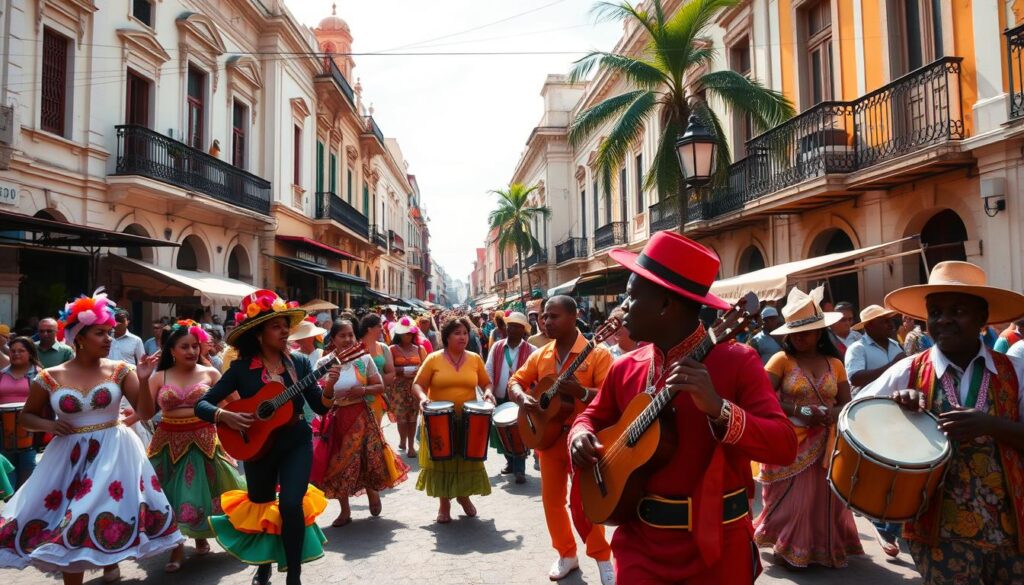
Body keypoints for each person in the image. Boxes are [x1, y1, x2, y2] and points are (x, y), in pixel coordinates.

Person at [570, 231, 798, 584]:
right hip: (638, 544)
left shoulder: (738, 362)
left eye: (632, 297)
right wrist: (579, 435)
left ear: (665, 305)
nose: (623, 307)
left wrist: (720, 410)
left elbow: (784, 445)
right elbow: (590, 417)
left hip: (717, 548)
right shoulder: (624, 367)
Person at [0, 290, 182, 585]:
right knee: (70, 526)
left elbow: (145, 413)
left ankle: (107, 561)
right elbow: (26, 417)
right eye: (100, 333)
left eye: (110, 332)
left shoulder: (122, 370)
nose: (109, 339)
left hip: (114, 453)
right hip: (68, 458)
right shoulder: (49, 376)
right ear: (79, 337)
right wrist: (49, 424)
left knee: (85, 516)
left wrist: (146, 378)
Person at [862, 261, 1024, 584]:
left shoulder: (1015, 372)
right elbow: (854, 418)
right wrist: (893, 413)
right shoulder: (907, 371)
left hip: (1011, 532)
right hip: (936, 533)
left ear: (982, 318)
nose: (943, 320)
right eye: (935, 312)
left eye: (958, 310)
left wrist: (991, 425)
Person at [194, 290, 330, 585]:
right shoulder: (241, 369)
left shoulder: (302, 365)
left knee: (291, 504)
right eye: (276, 326)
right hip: (256, 447)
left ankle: (293, 576)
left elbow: (319, 405)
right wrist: (227, 416)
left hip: (296, 440)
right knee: (261, 502)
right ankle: (265, 565)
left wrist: (330, 387)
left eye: (285, 326)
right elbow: (202, 404)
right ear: (258, 334)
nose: (285, 332)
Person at [752, 287, 863, 568]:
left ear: (818, 333)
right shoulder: (781, 361)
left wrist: (830, 413)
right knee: (795, 501)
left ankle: (820, 550)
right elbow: (762, 398)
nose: (799, 338)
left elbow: (846, 403)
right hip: (790, 440)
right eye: (795, 333)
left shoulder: (835, 363)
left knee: (822, 500)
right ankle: (789, 547)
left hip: (826, 442)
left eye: (807, 332)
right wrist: (799, 410)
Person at [508, 296, 614, 583]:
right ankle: (567, 553)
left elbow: (610, 397)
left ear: (574, 316)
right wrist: (522, 397)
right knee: (552, 502)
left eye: (554, 316)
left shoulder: (597, 353)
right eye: (545, 316)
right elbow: (515, 380)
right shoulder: (541, 354)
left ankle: (603, 557)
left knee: (588, 503)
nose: (546, 321)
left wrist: (581, 393)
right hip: (549, 439)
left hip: (584, 441)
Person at [147, 320, 245, 573]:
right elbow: (145, 410)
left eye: (194, 346)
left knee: (205, 491)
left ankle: (208, 537)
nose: (191, 351)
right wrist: (125, 418)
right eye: (184, 347)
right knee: (173, 496)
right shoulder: (158, 376)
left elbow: (235, 404)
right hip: (167, 443)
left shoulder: (211, 374)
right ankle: (177, 546)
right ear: (171, 350)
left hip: (204, 440)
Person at [312, 318, 408, 527]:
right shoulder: (323, 364)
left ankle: (372, 492)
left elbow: (380, 386)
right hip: (336, 418)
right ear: (333, 339)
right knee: (338, 464)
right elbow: (318, 396)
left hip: (361, 416)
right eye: (342, 336)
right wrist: (330, 386)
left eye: (350, 335)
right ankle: (345, 510)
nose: (347, 339)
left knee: (366, 458)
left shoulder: (363, 360)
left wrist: (362, 390)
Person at [412, 316, 494, 523]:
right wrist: (423, 398)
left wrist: (488, 393)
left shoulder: (475, 359)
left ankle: (463, 497)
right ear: (447, 336)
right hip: (439, 420)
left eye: (465, 333)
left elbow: (487, 383)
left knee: (465, 460)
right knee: (443, 462)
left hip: (468, 420)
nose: (462, 337)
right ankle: (444, 504)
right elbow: (417, 384)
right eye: (457, 333)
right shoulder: (434, 359)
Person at [485, 311, 535, 484]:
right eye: (509, 325)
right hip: (500, 394)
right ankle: (510, 461)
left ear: (523, 330)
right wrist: (488, 390)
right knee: (502, 429)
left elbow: (537, 376)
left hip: (520, 397)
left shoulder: (532, 351)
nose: (511, 329)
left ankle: (519, 469)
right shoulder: (497, 346)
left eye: (516, 326)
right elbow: (489, 370)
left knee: (519, 432)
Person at [0, 337, 42, 487]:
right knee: (7, 469)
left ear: (30, 353)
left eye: (21, 351)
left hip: (30, 430)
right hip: (3, 431)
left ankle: (23, 504)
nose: (16, 354)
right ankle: (9, 505)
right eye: (13, 351)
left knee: (28, 466)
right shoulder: (2, 374)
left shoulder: (40, 375)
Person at [388, 318, 428, 457]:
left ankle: (411, 446)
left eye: (410, 334)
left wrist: (417, 371)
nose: (408, 336)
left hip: (414, 386)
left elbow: (425, 367)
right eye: (405, 334)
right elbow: (388, 368)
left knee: (413, 417)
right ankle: (402, 439)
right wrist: (402, 370)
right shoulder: (392, 349)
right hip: (398, 387)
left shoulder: (419, 349)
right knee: (401, 417)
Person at [845, 305, 905, 394]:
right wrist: (893, 365)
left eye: (890, 320)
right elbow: (855, 379)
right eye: (884, 321)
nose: (891, 325)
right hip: (870, 404)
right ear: (869, 326)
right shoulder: (857, 348)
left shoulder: (896, 345)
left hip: (897, 402)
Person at [359, 314, 396, 426]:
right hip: (358, 398)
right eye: (379, 326)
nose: (382, 329)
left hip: (377, 397)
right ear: (369, 328)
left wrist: (377, 386)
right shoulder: (355, 346)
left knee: (376, 431)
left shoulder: (383, 347)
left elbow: (391, 372)